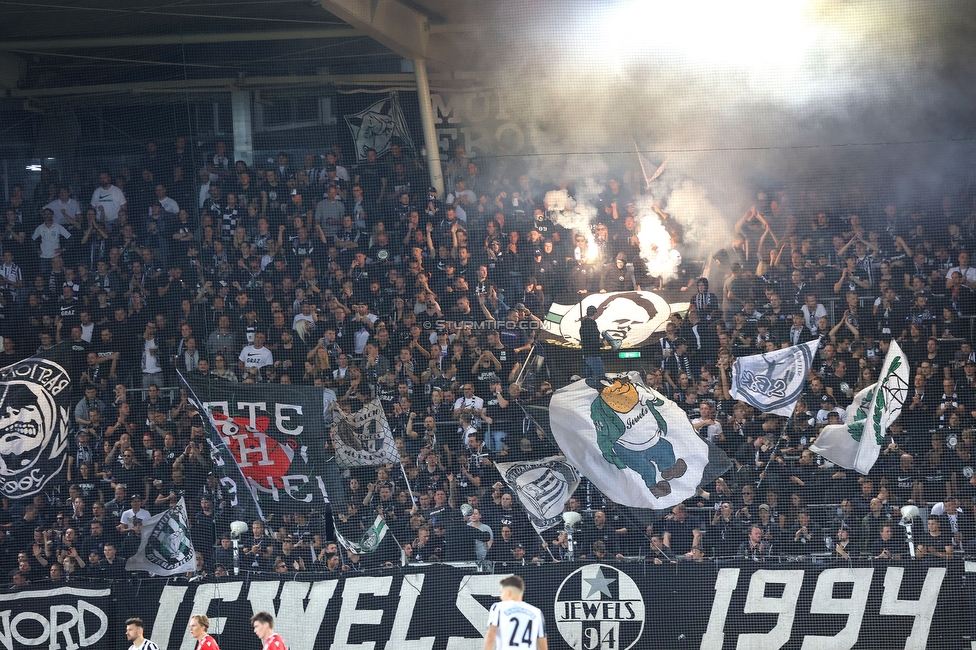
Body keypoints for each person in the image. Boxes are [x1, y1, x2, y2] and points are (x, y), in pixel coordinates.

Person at [484, 575, 548, 650]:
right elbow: (542, 643)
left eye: (502, 592)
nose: (501, 597)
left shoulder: (498, 607)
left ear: (509, 593)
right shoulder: (537, 612)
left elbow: (490, 637)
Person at [580, 305, 603, 378]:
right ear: (595, 313)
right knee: (600, 378)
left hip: (586, 355)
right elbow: (593, 342)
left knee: (589, 379)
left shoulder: (583, 326)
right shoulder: (591, 325)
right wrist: (603, 344)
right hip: (594, 355)